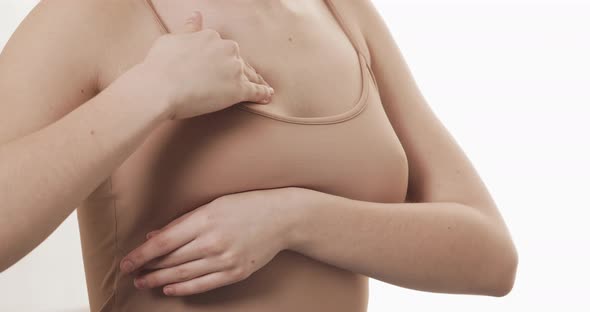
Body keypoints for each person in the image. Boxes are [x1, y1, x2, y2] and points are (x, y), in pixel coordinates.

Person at [0, 0, 518, 311]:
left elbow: (491, 259)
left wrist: (294, 219)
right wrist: (147, 93)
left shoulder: (340, 11)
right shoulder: (88, 14)